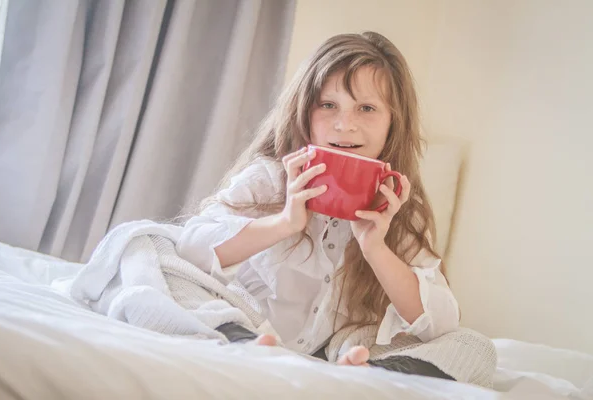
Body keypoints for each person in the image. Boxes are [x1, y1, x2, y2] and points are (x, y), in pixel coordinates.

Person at [176, 31, 460, 373]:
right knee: (141, 245)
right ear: (304, 113)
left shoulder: (394, 205)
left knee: (472, 347)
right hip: (247, 329)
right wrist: (284, 223)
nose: (345, 125)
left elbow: (441, 321)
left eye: (366, 108)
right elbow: (188, 250)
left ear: (392, 126)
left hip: (336, 355)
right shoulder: (269, 178)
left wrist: (376, 249)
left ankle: (375, 373)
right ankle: (240, 339)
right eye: (328, 105)